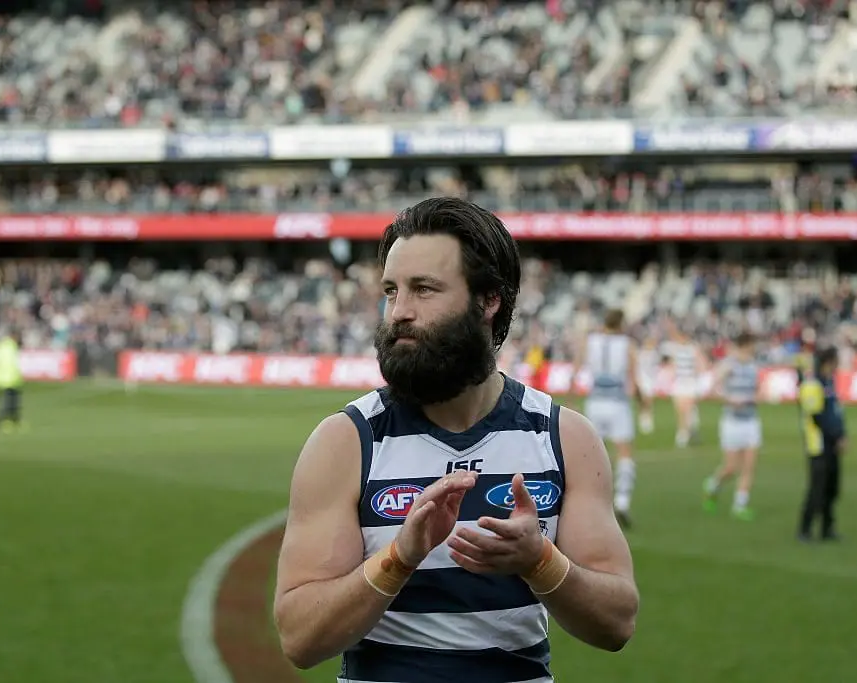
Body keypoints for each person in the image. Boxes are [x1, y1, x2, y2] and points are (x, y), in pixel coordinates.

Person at [273, 198, 639, 683]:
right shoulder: (347, 441)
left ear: (489, 300)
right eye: (391, 291)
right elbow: (300, 639)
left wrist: (539, 561)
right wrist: (399, 558)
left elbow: (616, 624)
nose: (399, 312)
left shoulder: (563, 437)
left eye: (423, 289)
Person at [575, 308, 638, 528]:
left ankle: (591, 503)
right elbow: (633, 377)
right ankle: (622, 500)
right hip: (617, 402)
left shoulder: (590, 341)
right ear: (621, 323)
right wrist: (641, 399)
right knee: (624, 453)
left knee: (594, 454)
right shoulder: (627, 344)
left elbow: (576, 369)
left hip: (595, 402)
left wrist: (573, 397)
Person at [703, 332, 763, 521]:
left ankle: (740, 505)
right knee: (730, 468)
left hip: (751, 421)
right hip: (732, 422)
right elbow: (712, 391)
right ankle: (713, 485)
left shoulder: (754, 366)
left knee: (749, 466)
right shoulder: (729, 365)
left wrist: (756, 398)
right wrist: (730, 400)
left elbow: (759, 390)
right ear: (746, 344)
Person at [797, 347, 847, 542]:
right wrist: (836, 436)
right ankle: (804, 529)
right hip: (818, 444)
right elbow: (816, 416)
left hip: (832, 443)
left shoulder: (829, 383)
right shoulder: (812, 385)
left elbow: (835, 413)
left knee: (831, 488)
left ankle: (827, 528)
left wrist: (842, 434)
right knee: (816, 489)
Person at [662, 322, 708, 448]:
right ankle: (686, 429)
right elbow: (672, 365)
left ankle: (684, 434)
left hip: (690, 382)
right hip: (679, 382)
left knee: (687, 409)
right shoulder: (675, 349)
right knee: (680, 409)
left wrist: (700, 381)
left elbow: (701, 365)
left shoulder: (693, 349)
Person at [0, 329, 24, 433]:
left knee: (14, 402)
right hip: (8, 379)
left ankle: (15, 420)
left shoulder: (7, 346)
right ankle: (4, 421)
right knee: (8, 402)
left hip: (12, 378)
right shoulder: (8, 347)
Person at [635, 335, 662, 435]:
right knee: (642, 401)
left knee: (648, 400)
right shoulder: (641, 354)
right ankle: (643, 419)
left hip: (650, 379)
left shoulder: (654, 354)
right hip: (642, 378)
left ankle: (648, 420)